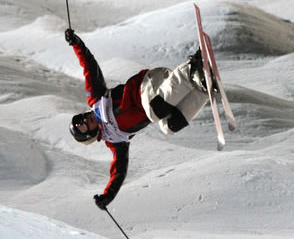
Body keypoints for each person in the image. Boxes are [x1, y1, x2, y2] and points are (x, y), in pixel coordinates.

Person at [65, 28, 209, 210]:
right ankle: (203, 88)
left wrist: (76, 42)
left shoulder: (97, 99)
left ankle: (192, 67)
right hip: (163, 95)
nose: (84, 121)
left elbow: (89, 66)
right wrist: (108, 196)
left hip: (148, 83)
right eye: (83, 127)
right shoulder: (116, 141)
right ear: (90, 135)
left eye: (80, 119)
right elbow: (119, 172)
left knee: (154, 112)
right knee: (169, 127)